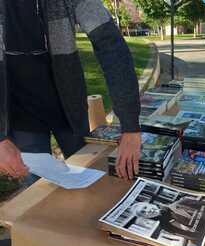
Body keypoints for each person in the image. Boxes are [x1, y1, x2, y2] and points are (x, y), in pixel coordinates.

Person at [0, 0, 141, 183]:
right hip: (20, 112)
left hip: (69, 106)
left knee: (91, 176)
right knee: (35, 191)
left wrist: (130, 127)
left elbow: (110, 44)